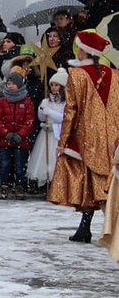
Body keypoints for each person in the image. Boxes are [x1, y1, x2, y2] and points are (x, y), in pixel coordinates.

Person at [48, 31, 119, 244]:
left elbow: (71, 110)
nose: (77, 51)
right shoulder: (114, 74)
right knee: (100, 181)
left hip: (87, 135)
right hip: (111, 135)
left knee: (98, 184)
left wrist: (63, 142)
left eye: (79, 48)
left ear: (85, 50)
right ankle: (84, 227)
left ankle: (113, 229)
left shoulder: (77, 75)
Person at [0, 66, 35, 200]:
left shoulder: (27, 102)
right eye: (9, 84)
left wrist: (21, 134)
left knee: (20, 164)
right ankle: (5, 184)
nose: (10, 86)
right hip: (5, 139)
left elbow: (30, 120)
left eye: (13, 84)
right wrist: (6, 133)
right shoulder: (2, 101)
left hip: (21, 140)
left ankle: (19, 185)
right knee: (5, 163)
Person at [27, 68, 67, 188]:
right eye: (52, 85)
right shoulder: (46, 101)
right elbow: (41, 118)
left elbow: (63, 118)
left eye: (57, 85)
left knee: (54, 159)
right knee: (43, 159)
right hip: (46, 133)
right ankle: (46, 183)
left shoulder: (65, 103)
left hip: (57, 134)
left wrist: (50, 113)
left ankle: (56, 182)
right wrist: (41, 110)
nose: (54, 88)